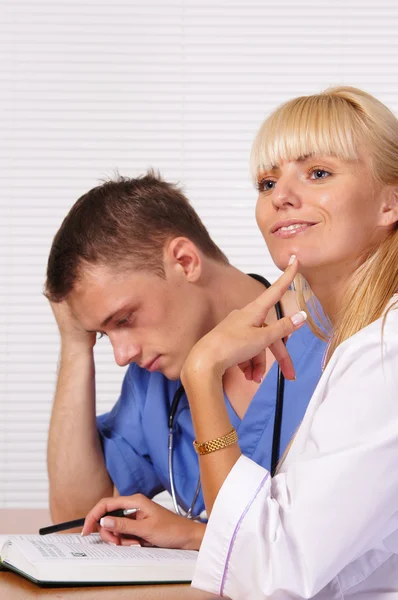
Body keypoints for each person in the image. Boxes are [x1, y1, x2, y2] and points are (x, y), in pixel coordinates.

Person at [175, 86, 398, 598]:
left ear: (391, 202)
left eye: (317, 172)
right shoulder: (350, 341)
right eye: (267, 181)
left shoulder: (386, 353)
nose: (280, 195)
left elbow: (266, 573)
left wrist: (202, 371)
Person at [45, 171, 325, 540]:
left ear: (185, 261)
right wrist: (75, 345)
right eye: (103, 333)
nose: (121, 354)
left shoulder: (336, 337)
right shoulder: (155, 384)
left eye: (125, 319)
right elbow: (75, 521)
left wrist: (193, 536)